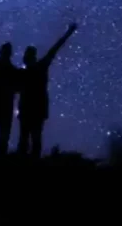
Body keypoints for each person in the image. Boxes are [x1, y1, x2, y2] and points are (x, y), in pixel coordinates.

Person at [17, 22, 78, 157]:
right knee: (31, 140)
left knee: (28, 140)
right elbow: (55, 48)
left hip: (32, 110)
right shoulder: (36, 68)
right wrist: (69, 32)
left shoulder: (31, 70)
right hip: (34, 110)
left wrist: (68, 32)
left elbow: (55, 48)